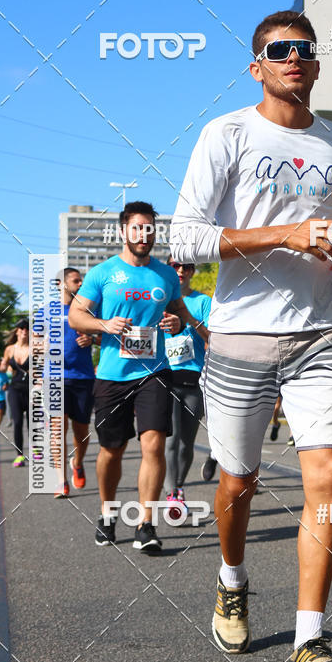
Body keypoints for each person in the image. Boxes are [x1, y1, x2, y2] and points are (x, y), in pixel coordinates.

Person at [171, 9, 332, 662]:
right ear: (257, 66)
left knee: (329, 475)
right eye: (278, 50)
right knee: (237, 482)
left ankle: (309, 641)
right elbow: (186, 240)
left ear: (317, 66)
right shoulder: (225, 133)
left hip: (317, 335)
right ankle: (232, 581)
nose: (293, 58)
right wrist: (282, 233)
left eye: (304, 51)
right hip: (238, 336)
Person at [68, 200, 198, 550]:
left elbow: (179, 312)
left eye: (150, 228)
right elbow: (76, 316)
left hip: (154, 371)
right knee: (112, 448)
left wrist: (178, 322)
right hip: (112, 373)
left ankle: (146, 525)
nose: (145, 234)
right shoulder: (103, 272)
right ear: (124, 231)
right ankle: (108, 513)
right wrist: (103, 324)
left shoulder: (166, 274)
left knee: (153, 443)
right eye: (138, 227)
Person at [162, 258, 211, 517]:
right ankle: (172, 494)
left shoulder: (202, 302)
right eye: (176, 266)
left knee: (186, 444)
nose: (181, 271)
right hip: (165, 378)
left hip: (193, 380)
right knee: (171, 440)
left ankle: (178, 486)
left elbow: (212, 338)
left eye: (187, 267)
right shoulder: (157, 299)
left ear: (193, 271)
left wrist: (187, 318)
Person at [54, 267, 98, 498]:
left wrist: (92, 337)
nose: (80, 284)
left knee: (81, 430)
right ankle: (61, 481)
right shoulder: (46, 312)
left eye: (82, 280)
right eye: (75, 280)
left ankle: (78, 462)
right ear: (61, 284)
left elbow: (104, 335)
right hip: (55, 378)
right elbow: (37, 343)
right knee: (57, 429)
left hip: (83, 377)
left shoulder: (88, 310)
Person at [2, 319, 30, 467]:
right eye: (22, 328)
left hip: (32, 389)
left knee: (32, 423)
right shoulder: (9, 349)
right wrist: (4, 368)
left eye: (27, 328)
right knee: (17, 422)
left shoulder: (35, 347)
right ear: (17, 331)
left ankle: (36, 450)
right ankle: (19, 455)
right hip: (15, 388)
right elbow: (4, 364)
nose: (25, 330)